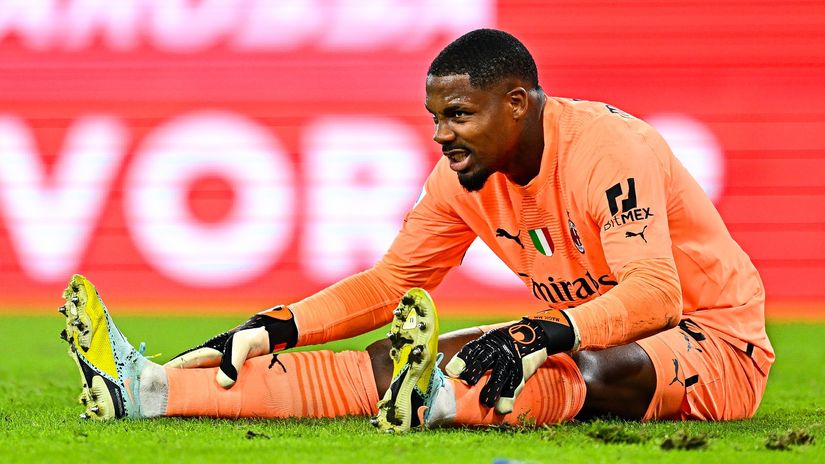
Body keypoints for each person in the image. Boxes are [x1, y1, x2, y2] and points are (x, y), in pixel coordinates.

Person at [60, 29, 773, 431]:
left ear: (516, 104)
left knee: (582, 366)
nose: (441, 135)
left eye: (458, 115)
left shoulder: (607, 151)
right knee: (392, 357)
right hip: (588, 323)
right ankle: (147, 390)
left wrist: (536, 333)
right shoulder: (460, 179)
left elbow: (655, 297)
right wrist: (276, 326)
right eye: (434, 118)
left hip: (714, 340)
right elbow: (390, 285)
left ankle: (437, 402)